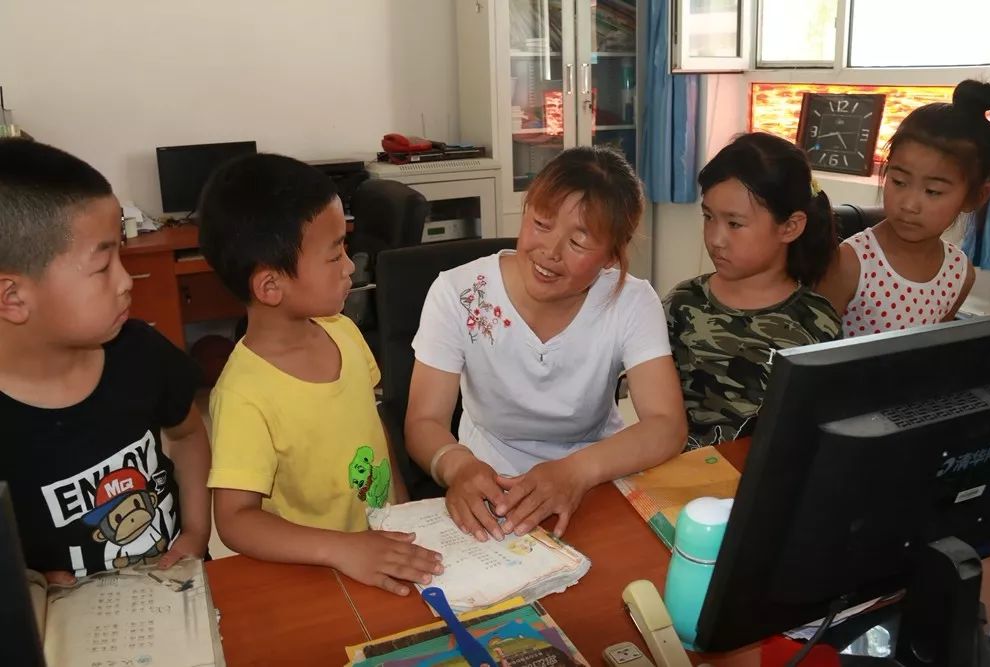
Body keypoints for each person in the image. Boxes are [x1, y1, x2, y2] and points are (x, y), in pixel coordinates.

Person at [405, 146, 687, 542]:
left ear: (612, 256)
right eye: (541, 223)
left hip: (597, 475)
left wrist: (574, 471)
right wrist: (458, 468)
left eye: (578, 242)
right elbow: (423, 421)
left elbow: (667, 425)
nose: (549, 252)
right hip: (491, 484)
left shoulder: (630, 301)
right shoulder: (459, 292)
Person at [199, 153, 441, 596]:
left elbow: (374, 424)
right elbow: (235, 520)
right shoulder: (243, 394)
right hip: (317, 573)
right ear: (271, 286)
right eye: (335, 255)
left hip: (382, 549)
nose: (351, 266)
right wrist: (343, 549)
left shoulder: (343, 331)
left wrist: (402, 505)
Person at [0, 139, 211, 583]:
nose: (125, 281)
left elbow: (189, 436)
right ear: (13, 296)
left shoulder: (138, 352)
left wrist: (194, 532)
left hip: (177, 593)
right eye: (102, 267)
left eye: (123, 255)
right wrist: (34, 588)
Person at [664, 132, 841, 449]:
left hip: (760, 483)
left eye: (734, 224)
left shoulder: (816, 322)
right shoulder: (682, 303)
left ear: (790, 227)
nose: (715, 238)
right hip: (679, 480)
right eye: (708, 217)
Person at [818, 80, 990, 336]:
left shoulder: (959, 273)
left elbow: (929, 352)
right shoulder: (849, 263)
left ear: (977, 196)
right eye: (899, 182)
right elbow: (810, 352)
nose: (909, 204)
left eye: (933, 191)